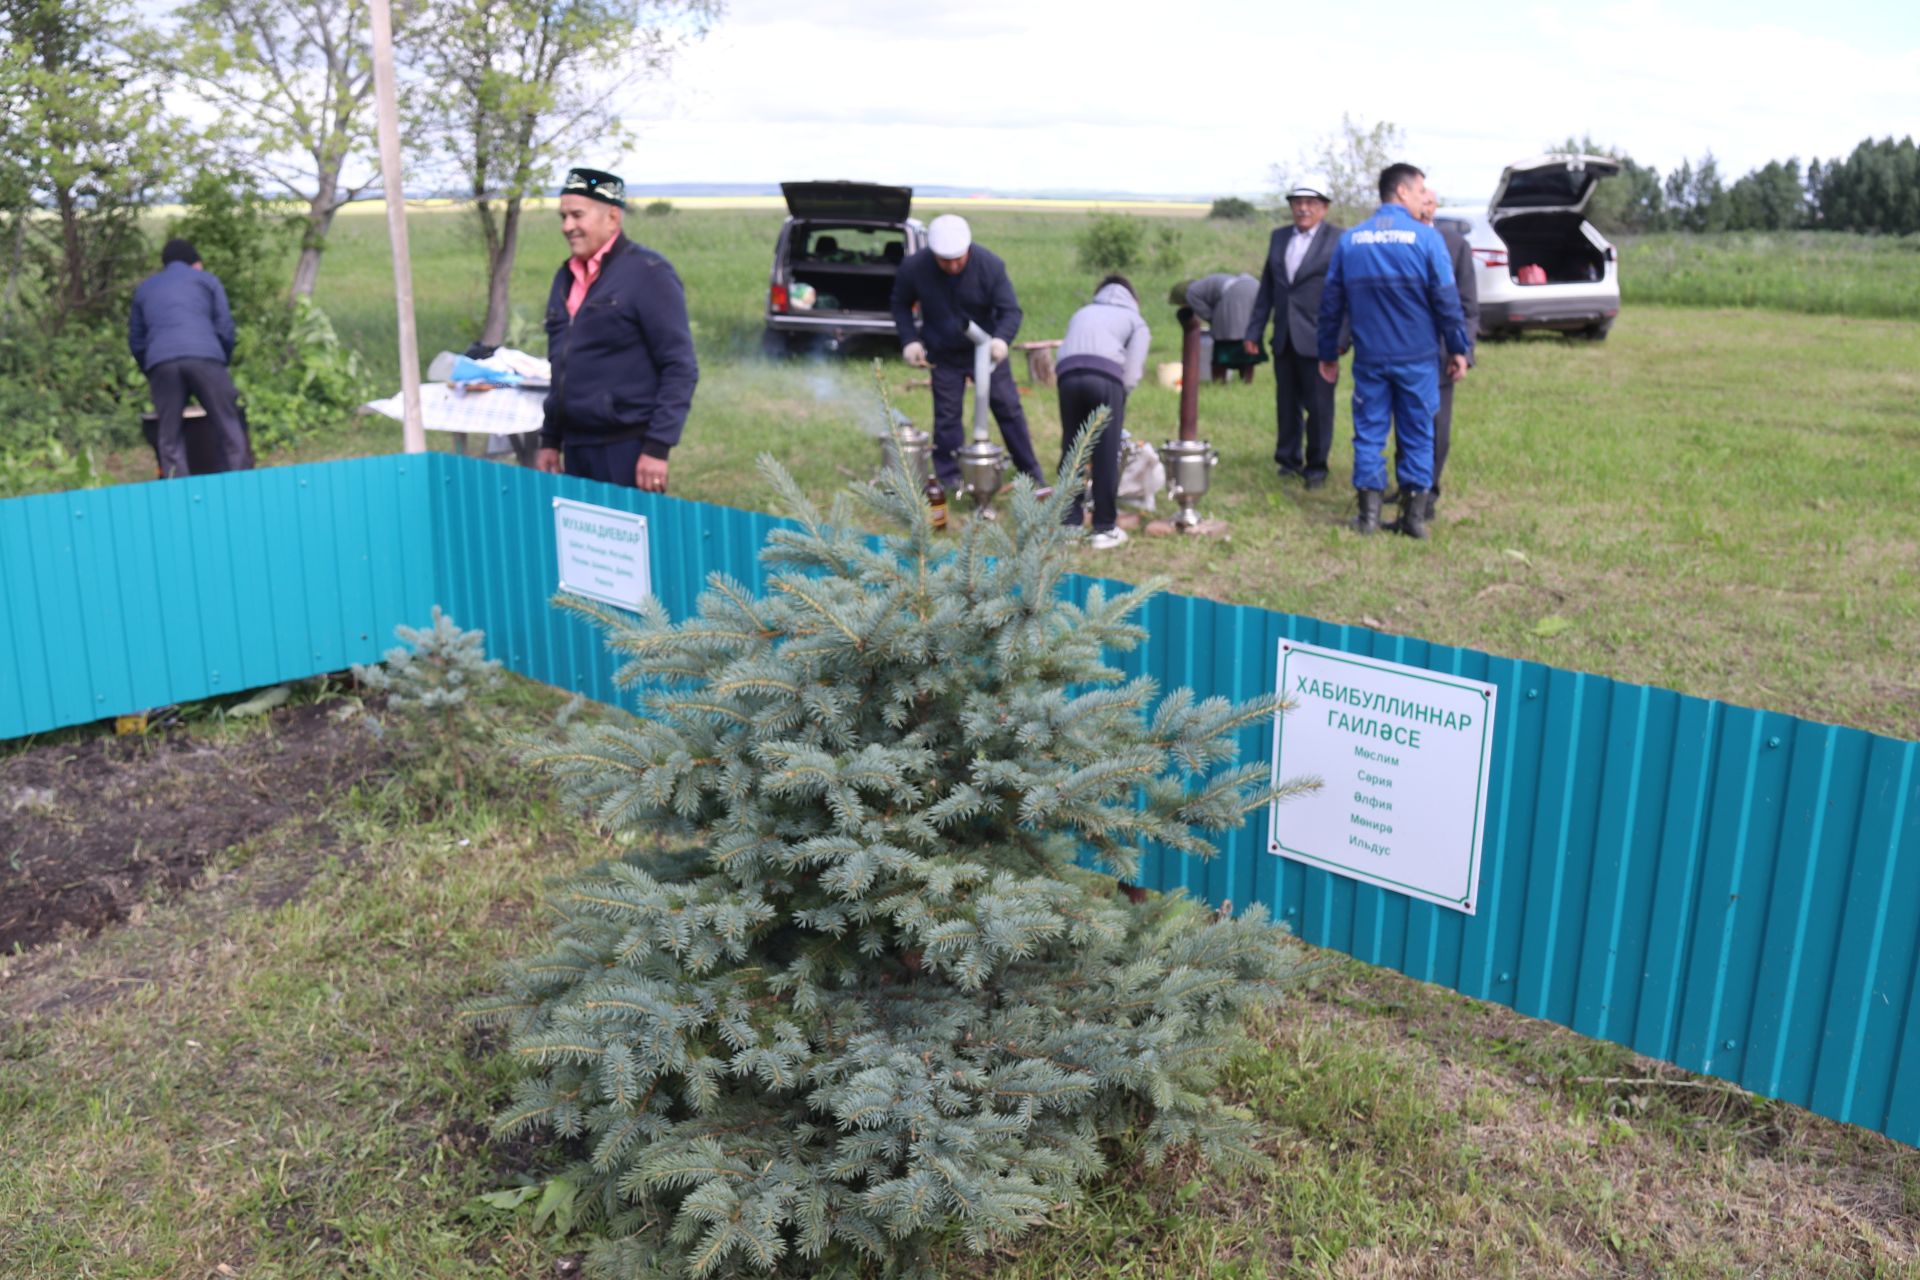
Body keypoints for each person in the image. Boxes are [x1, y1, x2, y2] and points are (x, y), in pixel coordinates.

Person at [1316, 163, 1470, 539]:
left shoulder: (1350, 241)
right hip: (1417, 360)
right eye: (1420, 191)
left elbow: (1331, 305)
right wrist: (1458, 348)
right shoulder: (1428, 240)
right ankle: (1413, 519)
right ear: (1402, 192)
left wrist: (1328, 353)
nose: (1423, 198)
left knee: (1369, 434)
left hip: (1370, 360)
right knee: (1419, 433)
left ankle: (1368, 518)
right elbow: (1448, 302)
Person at [536, 167, 698, 492]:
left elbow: (680, 366)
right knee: (579, 540)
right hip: (575, 446)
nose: (567, 227)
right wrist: (550, 439)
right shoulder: (565, 277)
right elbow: (560, 364)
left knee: (630, 540)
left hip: (627, 449)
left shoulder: (649, 274)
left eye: (577, 215)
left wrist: (657, 447)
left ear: (612, 216)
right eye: (563, 216)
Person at [889, 214, 1043, 494]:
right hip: (944, 352)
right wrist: (910, 340)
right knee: (947, 415)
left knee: (1007, 408)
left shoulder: (990, 266)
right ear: (933, 253)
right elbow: (900, 304)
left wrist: (1000, 340)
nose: (953, 265)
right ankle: (950, 478)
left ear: (968, 249)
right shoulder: (914, 267)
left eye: (958, 258)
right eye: (944, 260)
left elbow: (1011, 311)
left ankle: (1030, 473)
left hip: (987, 352)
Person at [1244, 176, 1344, 488]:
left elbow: (1348, 295)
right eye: (1297, 203)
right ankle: (1287, 459)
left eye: (1310, 203)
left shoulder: (1339, 240)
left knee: (1319, 407)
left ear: (1324, 208)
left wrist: (1341, 340)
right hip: (1285, 336)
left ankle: (1316, 466)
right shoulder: (1279, 237)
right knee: (1286, 404)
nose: (1302, 209)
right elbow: (1268, 289)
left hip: (1320, 339)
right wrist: (1254, 330)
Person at [127, 238, 249, 478]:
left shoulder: (145, 288)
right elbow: (225, 327)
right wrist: (220, 360)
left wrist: (153, 370)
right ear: (195, 264)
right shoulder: (207, 281)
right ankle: (239, 484)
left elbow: (136, 340)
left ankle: (178, 492)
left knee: (169, 436)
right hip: (205, 356)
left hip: (161, 361)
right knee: (228, 424)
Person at [1395, 185, 1479, 526]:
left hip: (1441, 353)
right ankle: (1407, 487)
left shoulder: (1456, 246)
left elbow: (1469, 306)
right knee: (1404, 424)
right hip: (1402, 351)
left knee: (1436, 427)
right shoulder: (1397, 243)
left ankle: (1428, 493)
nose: (1425, 207)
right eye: (1420, 200)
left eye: (1430, 201)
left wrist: (1463, 351)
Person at [1055, 274, 1151, 549]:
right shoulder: (1135, 321)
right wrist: (1121, 397)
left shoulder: (1083, 311)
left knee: (1073, 449)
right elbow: (1131, 371)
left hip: (1067, 375)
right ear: (1133, 298)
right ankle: (1104, 527)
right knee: (1106, 451)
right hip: (1105, 377)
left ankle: (1068, 525)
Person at [1174, 273, 1262, 383]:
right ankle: (1247, 381)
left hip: (1235, 293)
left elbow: (1206, 313)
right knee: (1246, 338)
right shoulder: (1206, 285)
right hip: (1254, 286)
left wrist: (1216, 322)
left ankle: (1219, 382)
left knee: (1224, 343)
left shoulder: (1191, 293)